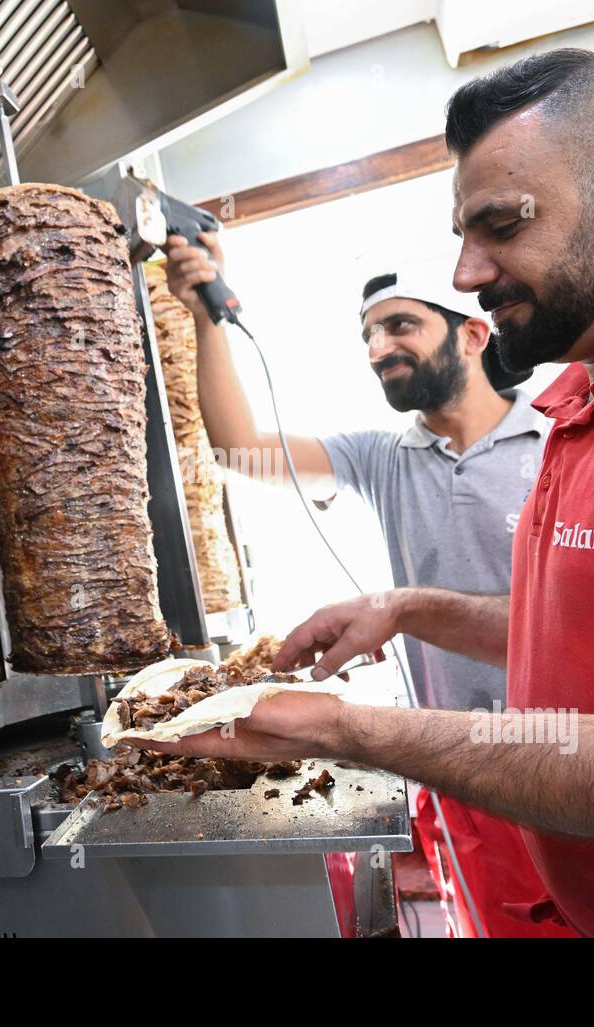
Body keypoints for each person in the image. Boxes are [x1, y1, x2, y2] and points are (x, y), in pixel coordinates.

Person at [148, 48, 594, 937]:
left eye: (501, 225)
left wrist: (349, 730)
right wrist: (407, 607)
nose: (467, 272)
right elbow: (589, 633)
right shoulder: (591, 399)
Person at [160, 239, 571, 937]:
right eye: (370, 334)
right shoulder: (381, 457)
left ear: (472, 333)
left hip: (566, 765)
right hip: (454, 772)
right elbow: (238, 449)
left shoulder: (559, 435)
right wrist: (206, 317)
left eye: (401, 325)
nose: (380, 346)